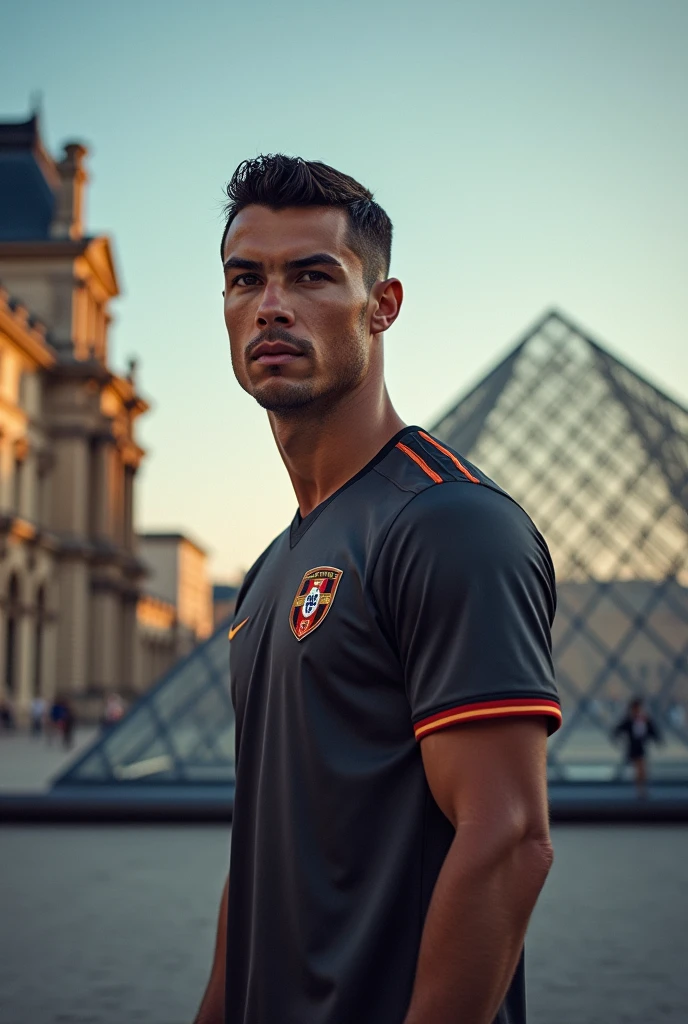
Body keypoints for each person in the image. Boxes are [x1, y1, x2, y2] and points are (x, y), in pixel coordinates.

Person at [194, 156, 562, 1024]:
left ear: (382, 305)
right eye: (245, 279)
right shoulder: (268, 571)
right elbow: (260, 856)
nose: (270, 304)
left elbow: (509, 840)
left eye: (312, 275)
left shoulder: (447, 523)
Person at [613, 697, 661, 798]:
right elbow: (618, 729)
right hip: (633, 748)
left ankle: (641, 790)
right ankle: (641, 790)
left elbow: (652, 731)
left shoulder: (644, 720)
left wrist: (657, 740)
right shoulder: (629, 720)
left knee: (641, 769)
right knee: (640, 768)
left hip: (641, 747)